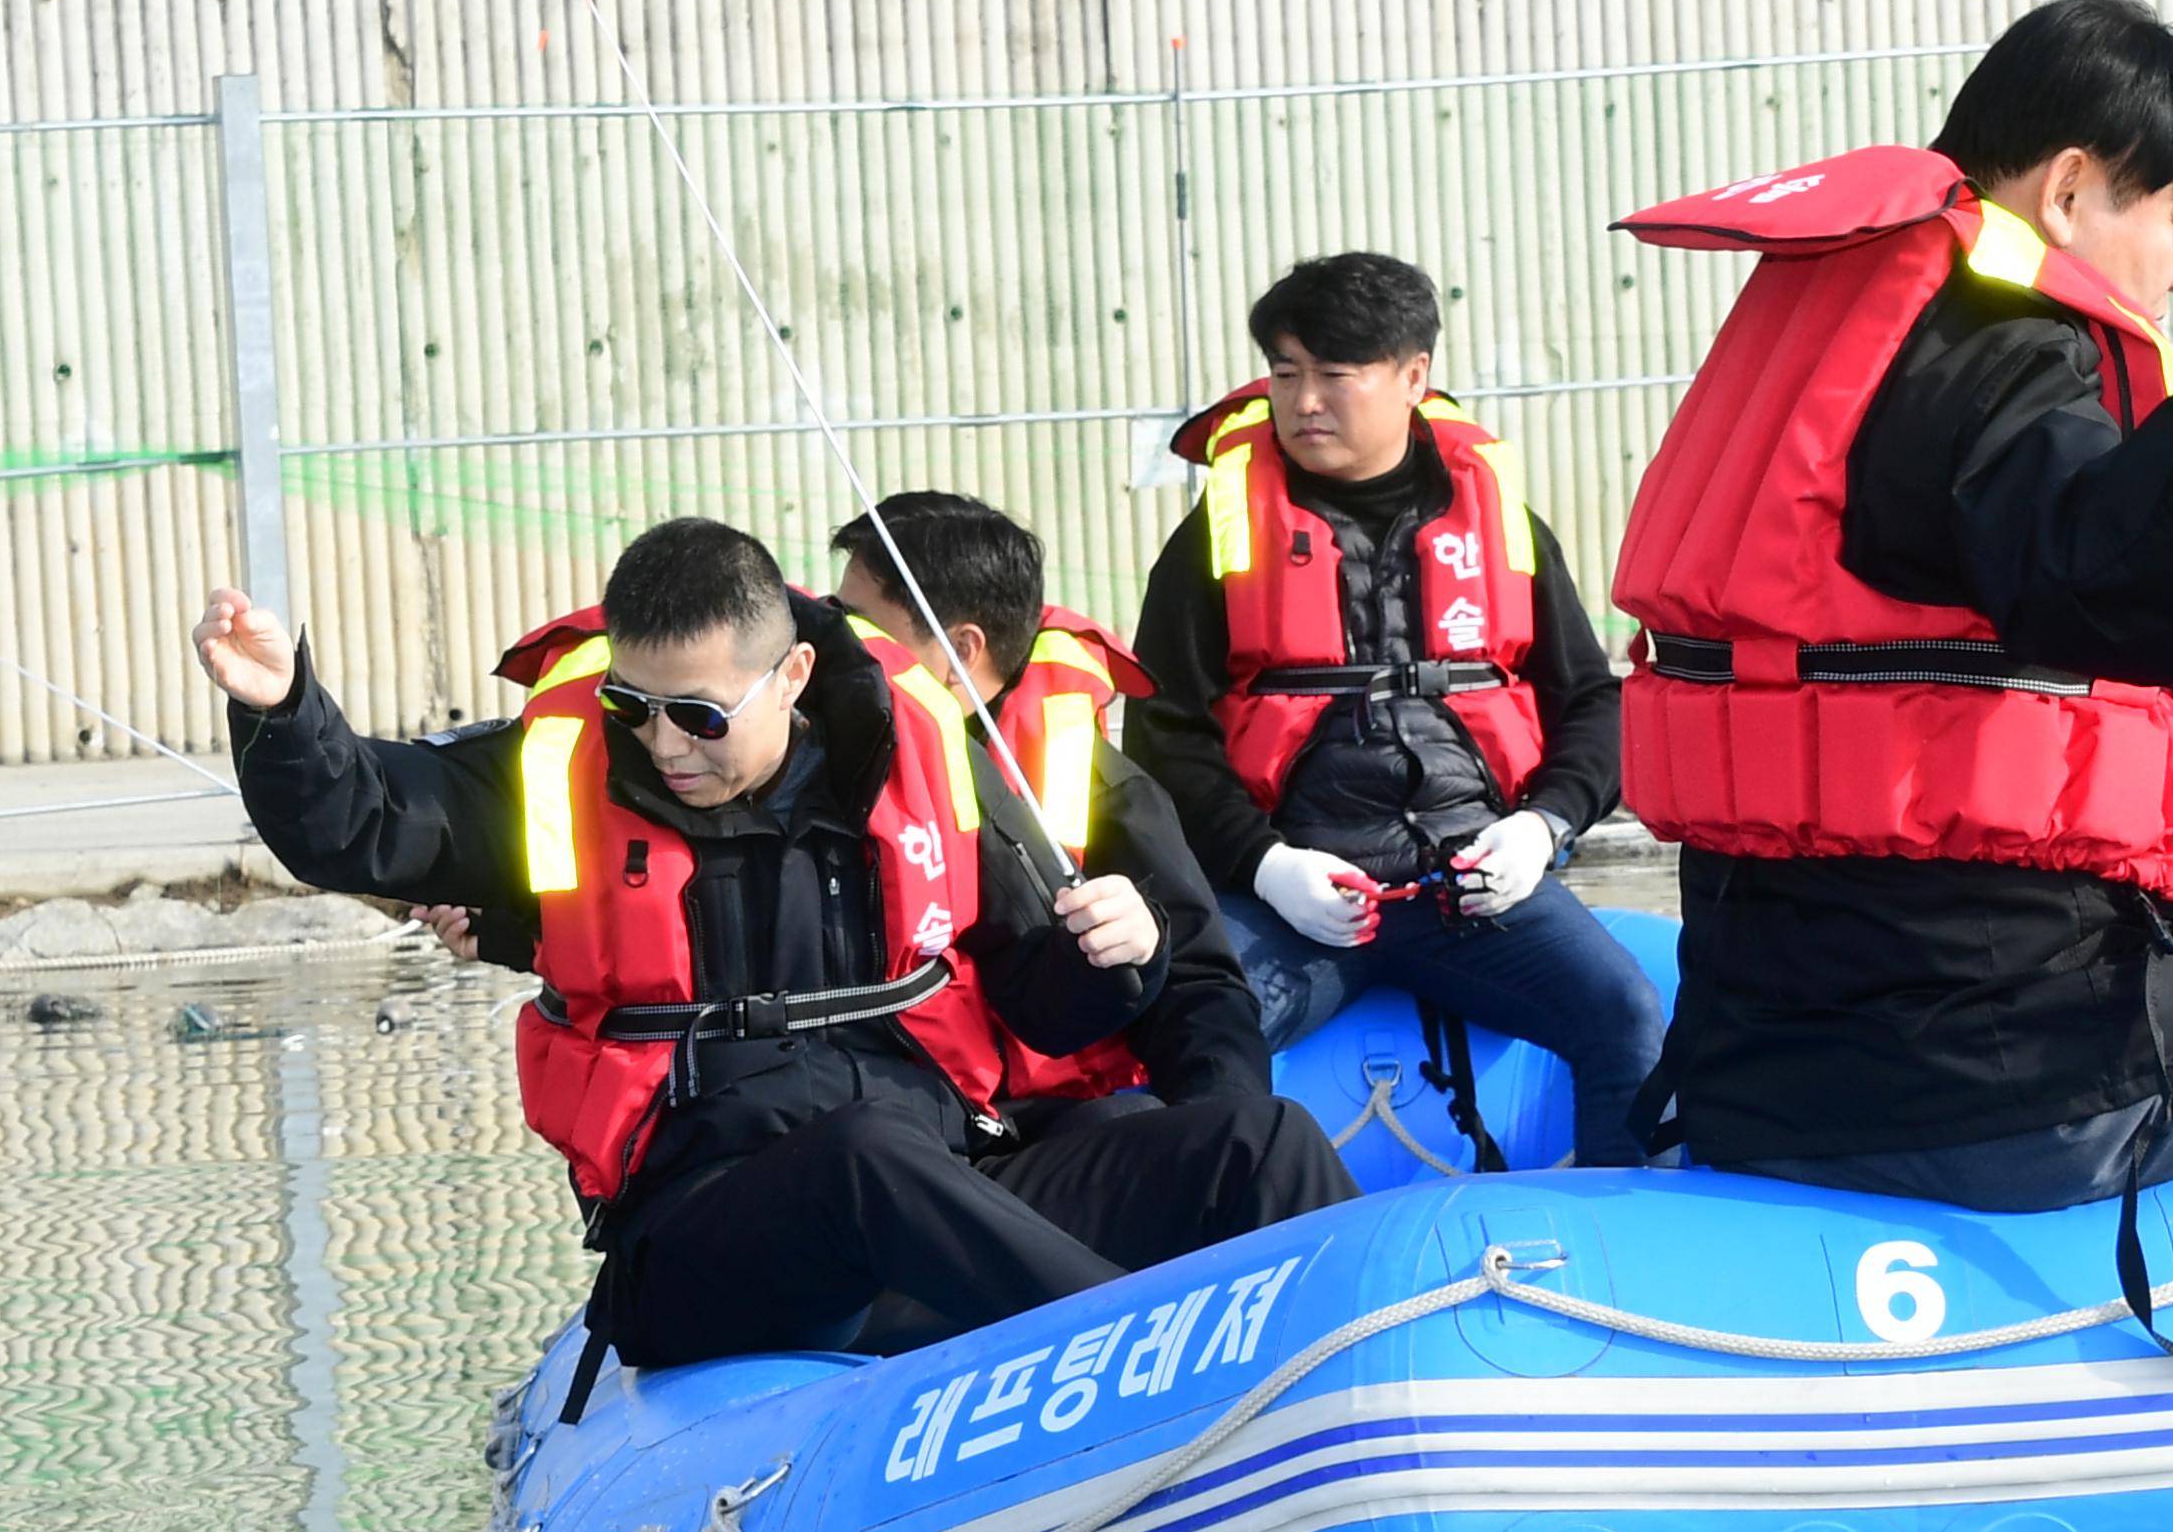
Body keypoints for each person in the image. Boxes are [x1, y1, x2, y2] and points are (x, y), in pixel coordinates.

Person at [1612, 0, 2173, 1232]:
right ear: (2073, 188)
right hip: (2001, 1092)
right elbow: (2118, 588)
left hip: (1768, 1073)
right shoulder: (2007, 350)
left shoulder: (1867, 324)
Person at [195, 517, 1354, 1371]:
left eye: (697, 713)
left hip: (948, 1182)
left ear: (793, 674)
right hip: (704, 1240)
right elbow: (365, 819)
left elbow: (1043, 1008)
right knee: (866, 1160)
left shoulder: (929, 760)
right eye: (632, 706)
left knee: (1258, 1142)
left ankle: (1362, 1390)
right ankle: (1175, 1381)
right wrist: (283, 711)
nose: (662, 742)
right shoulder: (557, 771)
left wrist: (1128, 952)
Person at [1123, 251, 1667, 1165]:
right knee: (1203, 1042)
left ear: (1414, 377)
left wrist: (1541, 828)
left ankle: (1624, 1272)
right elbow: (1162, 734)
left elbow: (1592, 703)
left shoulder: (1503, 528)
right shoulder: (1217, 537)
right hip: (1294, 892)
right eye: (1285, 373)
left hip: (1471, 881)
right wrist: (1264, 867)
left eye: (1334, 376)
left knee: (1626, 1013)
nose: (1302, 402)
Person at [827, 491, 1277, 1118]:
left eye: (863, 627)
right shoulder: (820, 762)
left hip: (1047, 1115)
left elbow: (1200, 985)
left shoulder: (1099, 787)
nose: (839, 647)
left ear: (962, 650)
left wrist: (1224, 1121)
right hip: (892, 1115)